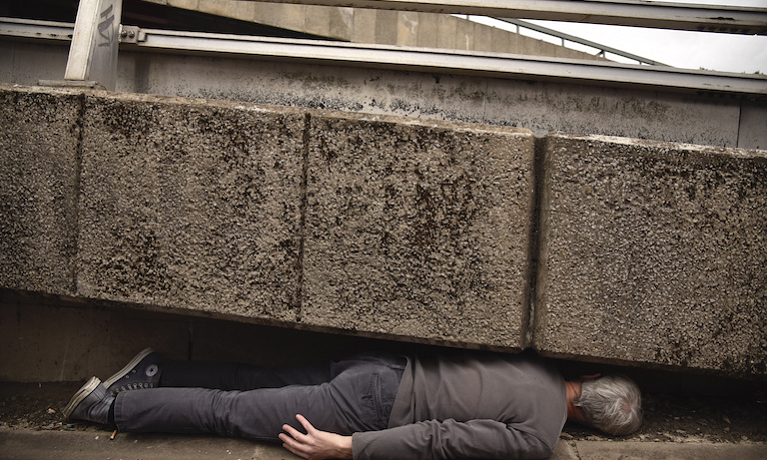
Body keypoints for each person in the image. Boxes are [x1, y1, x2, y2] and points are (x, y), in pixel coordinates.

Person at [63, 347, 642, 460]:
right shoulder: (541, 440)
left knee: (256, 378)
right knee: (231, 412)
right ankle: (107, 409)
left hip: (380, 366)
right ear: (586, 423)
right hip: (371, 410)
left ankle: (158, 371)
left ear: (587, 377)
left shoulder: (542, 362)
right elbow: (441, 440)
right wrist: (348, 447)